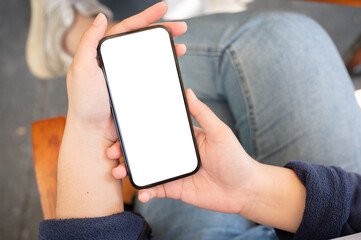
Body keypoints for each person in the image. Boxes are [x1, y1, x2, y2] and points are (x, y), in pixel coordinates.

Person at [34, 2, 361, 240]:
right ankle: (99, 44)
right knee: (287, 37)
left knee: (157, 73)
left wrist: (88, 128)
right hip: (332, 219)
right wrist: (250, 190)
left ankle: (73, 39)